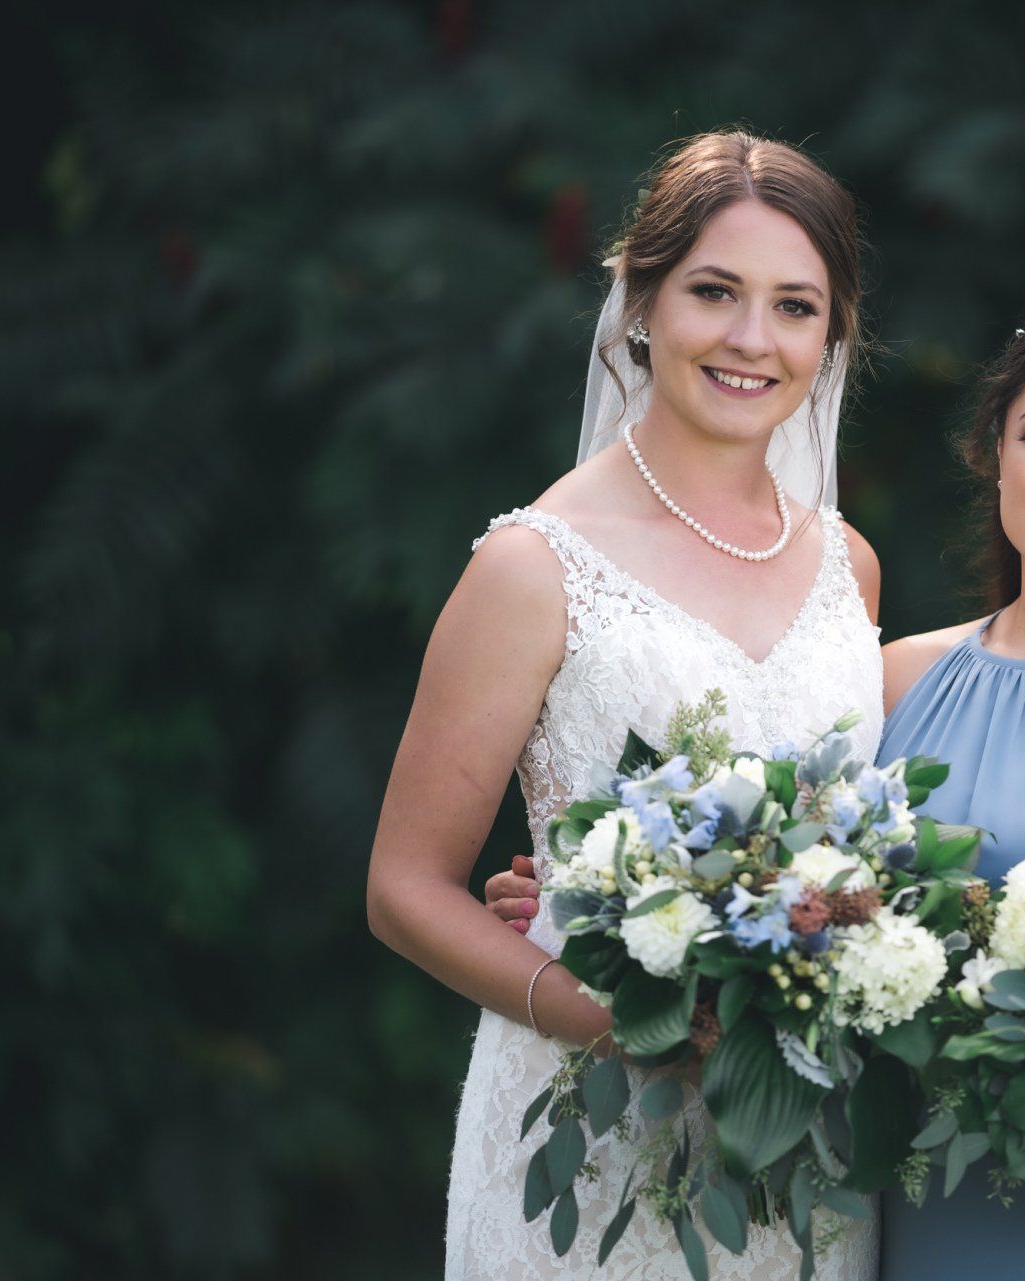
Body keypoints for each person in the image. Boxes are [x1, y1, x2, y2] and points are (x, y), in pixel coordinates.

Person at [488, 291, 1025, 1276]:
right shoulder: (890, 687)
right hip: (943, 1215)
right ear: (997, 452)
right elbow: (806, 894)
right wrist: (606, 899)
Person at [368, 130, 884, 1281]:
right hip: (588, 1138)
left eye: (795, 307)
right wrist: (629, 1024)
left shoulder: (852, 566)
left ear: (832, 336)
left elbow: (861, 860)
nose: (754, 340)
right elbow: (403, 891)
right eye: (714, 292)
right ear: (641, 301)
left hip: (800, 1154)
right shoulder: (532, 567)